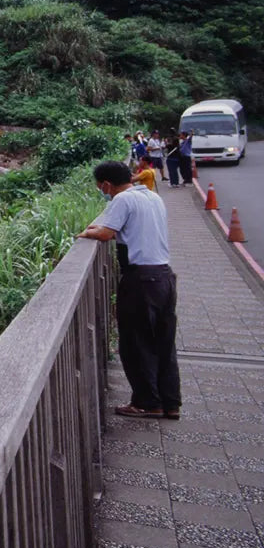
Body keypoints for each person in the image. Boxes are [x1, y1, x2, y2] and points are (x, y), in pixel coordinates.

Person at [78, 160, 180, 419]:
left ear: (107, 184)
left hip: (141, 280)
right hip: (165, 276)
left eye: (101, 187)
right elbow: (121, 231)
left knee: (137, 343)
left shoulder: (122, 200)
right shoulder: (154, 198)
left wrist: (86, 233)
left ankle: (147, 403)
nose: (103, 191)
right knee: (163, 343)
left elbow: (105, 233)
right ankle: (170, 403)